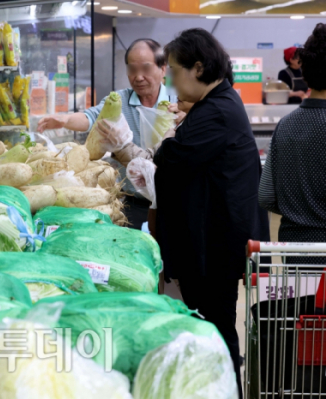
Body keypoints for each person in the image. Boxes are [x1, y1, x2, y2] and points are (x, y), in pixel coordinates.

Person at [154, 29, 268, 398]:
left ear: (198, 68)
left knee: (215, 331)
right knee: (214, 328)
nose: (169, 80)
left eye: (173, 71)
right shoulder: (214, 105)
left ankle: (224, 390)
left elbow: (172, 159)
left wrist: (166, 143)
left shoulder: (217, 110)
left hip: (213, 249)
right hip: (211, 245)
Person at [37, 38, 180, 230]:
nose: (138, 77)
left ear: (163, 69)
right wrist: (64, 120)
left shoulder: (179, 101)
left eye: (146, 69)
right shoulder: (119, 100)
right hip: (130, 202)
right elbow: (91, 117)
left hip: (170, 202)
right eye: (132, 69)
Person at [259, 24, 326, 266]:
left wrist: (298, 212)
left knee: (303, 305)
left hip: (295, 250)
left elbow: (266, 196)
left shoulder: (285, 125)